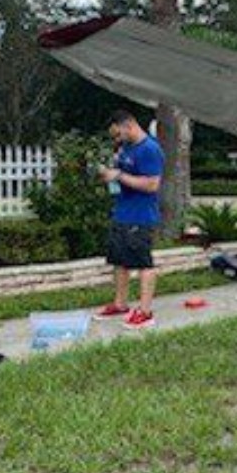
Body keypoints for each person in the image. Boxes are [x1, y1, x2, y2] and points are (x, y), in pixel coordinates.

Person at [94, 110, 165, 329]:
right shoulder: (127, 148)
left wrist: (120, 176)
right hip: (122, 212)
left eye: (118, 135)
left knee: (144, 263)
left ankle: (145, 313)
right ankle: (120, 304)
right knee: (120, 261)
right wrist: (110, 174)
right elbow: (123, 175)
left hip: (141, 215)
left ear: (128, 125)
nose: (116, 140)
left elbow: (152, 185)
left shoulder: (150, 149)